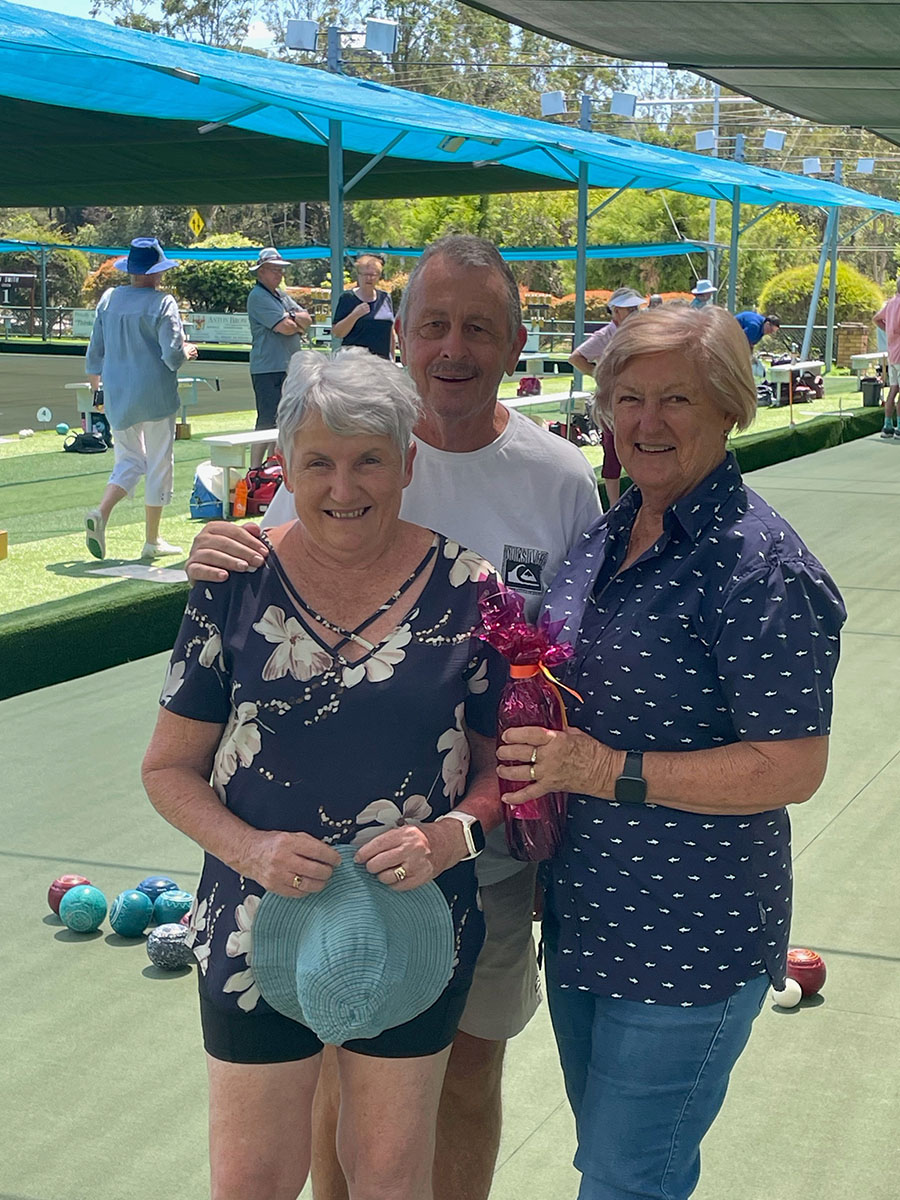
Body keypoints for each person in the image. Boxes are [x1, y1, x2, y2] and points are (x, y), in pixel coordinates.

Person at [183, 233, 603, 1200]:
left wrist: (527, 832)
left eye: (479, 327)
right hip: (320, 867)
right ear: (400, 335)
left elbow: (579, 666)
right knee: (336, 1063)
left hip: (481, 851)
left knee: (467, 1073)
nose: (454, 347)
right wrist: (208, 554)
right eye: (434, 324)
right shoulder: (341, 445)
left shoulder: (558, 478)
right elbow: (270, 577)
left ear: (516, 342)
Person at [497, 304, 846, 1200]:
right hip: (585, 917)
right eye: (628, 398)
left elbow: (791, 766)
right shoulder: (612, 530)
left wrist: (602, 770)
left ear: (730, 408)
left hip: (689, 935)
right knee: (616, 1162)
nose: (646, 422)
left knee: (626, 1179)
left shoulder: (758, 566)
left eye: (677, 399)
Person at [142, 346, 508, 1200]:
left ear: (408, 461)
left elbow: (504, 774)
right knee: (252, 1180)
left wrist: (450, 838)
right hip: (252, 919)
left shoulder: (473, 590)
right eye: (319, 462)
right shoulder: (232, 583)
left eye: (369, 460)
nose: (344, 488)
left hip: (414, 922)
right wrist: (252, 850)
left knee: (389, 1176)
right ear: (286, 464)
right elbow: (168, 770)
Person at [83, 236, 198, 561]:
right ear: (156, 272)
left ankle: (102, 511)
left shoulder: (109, 299)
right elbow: (172, 356)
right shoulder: (163, 303)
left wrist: (96, 390)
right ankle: (152, 539)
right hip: (156, 395)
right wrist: (188, 351)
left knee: (130, 461)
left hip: (117, 395)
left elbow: (94, 354)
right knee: (159, 461)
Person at [569, 286, 645, 507]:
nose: (635, 312)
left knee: (639, 448)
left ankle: (640, 501)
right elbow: (576, 358)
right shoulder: (604, 336)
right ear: (616, 311)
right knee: (612, 454)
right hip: (611, 405)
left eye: (635, 308)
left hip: (636, 401)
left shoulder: (638, 333)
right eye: (630, 309)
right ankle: (613, 506)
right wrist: (602, 375)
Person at [247, 246, 312, 467]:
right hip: (267, 368)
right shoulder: (258, 296)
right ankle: (254, 469)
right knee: (267, 420)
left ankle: (272, 466)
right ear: (261, 272)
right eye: (274, 269)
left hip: (287, 367)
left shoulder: (281, 296)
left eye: (280, 269)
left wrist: (291, 317)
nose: (279, 274)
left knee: (285, 420)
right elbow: (285, 327)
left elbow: (307, 319)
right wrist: (295, 322)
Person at [331, 253, 396, 360]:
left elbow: (391, 331)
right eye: (365, 274)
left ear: (379, 276)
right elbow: (338, 333)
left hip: (381, 361)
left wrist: (392, 358)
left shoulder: (385, 297)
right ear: (358, 275)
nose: (369, 278)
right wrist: (355, 315)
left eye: (373, 275)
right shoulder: (347, 298)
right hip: (353, 361)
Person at [873, 278, 900, 437]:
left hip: (893, 355)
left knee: (893, 389)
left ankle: (887, 425)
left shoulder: (890, 303)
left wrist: (888, 330)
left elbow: (876, 319)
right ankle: (899, 428)